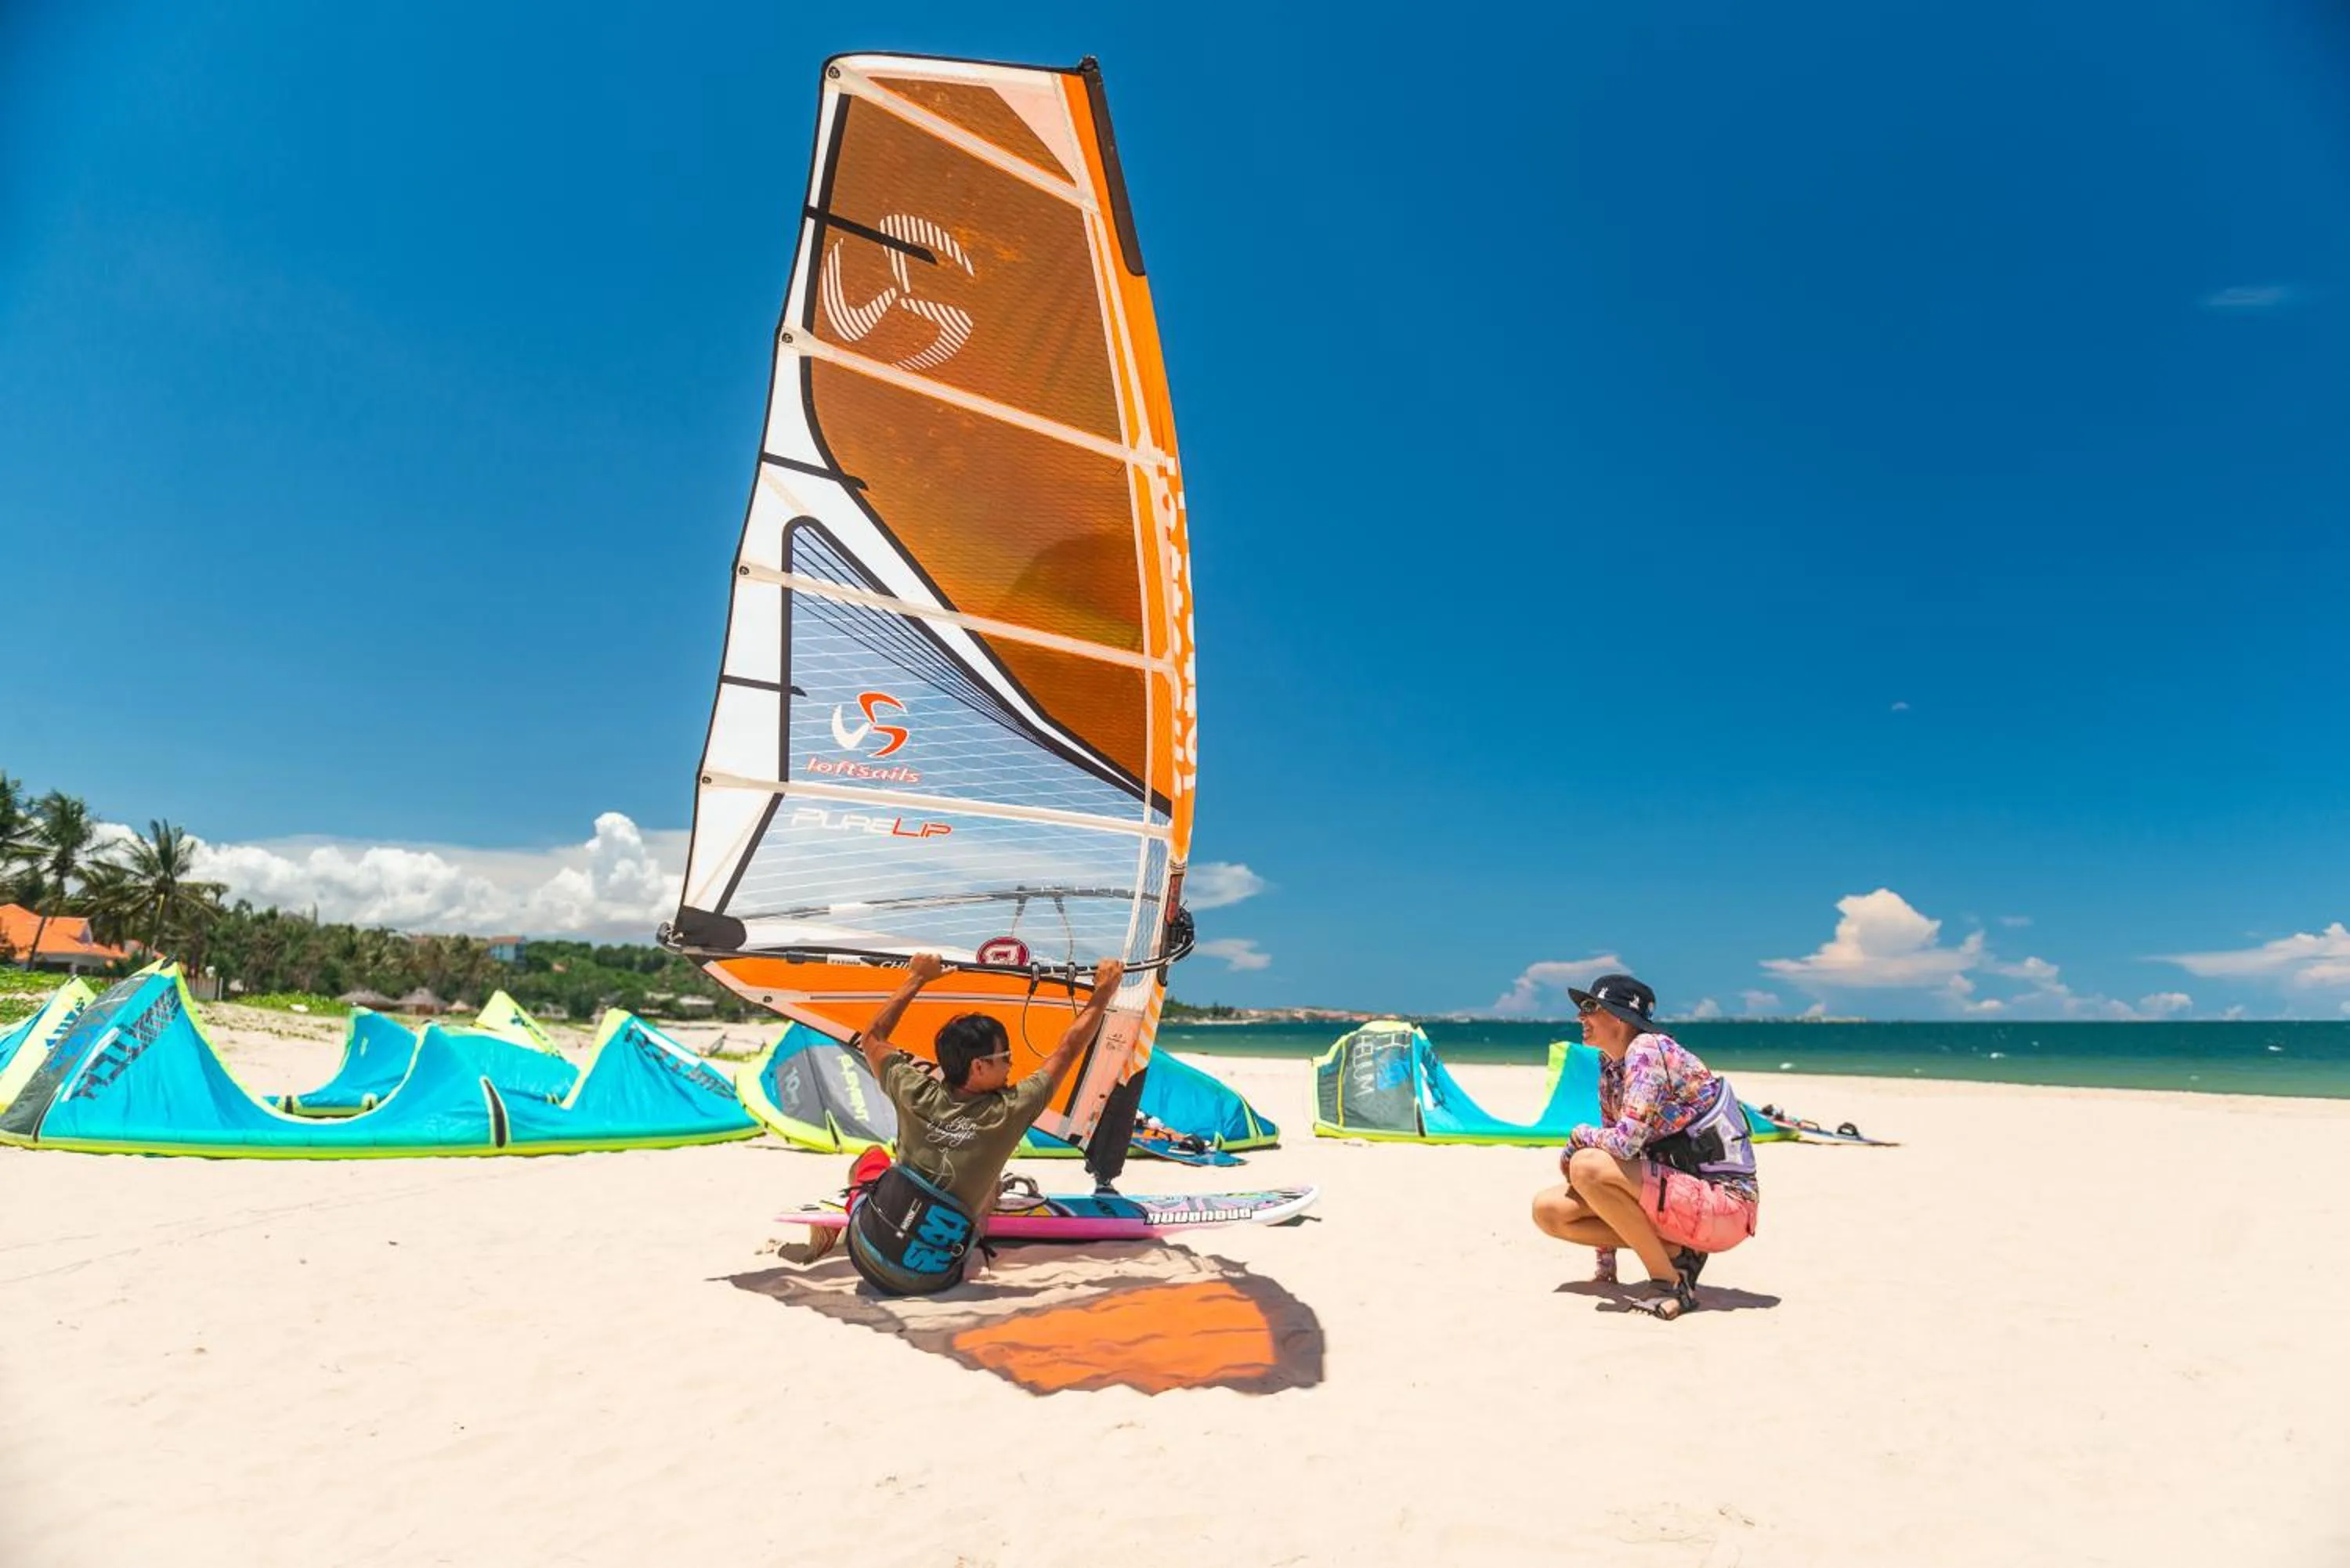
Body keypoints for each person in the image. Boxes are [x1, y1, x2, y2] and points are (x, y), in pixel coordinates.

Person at [842, 951, 1126, 1295]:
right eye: (1005, 1057)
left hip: (865, 1249)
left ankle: (855, 1207)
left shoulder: (913, 1091)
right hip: (934, 1279)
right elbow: (1067, 1049)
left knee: (871, 1159)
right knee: (987, 1192)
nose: (1011, 1065)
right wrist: (1104, 992)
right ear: (978, 1066)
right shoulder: (1010, 1110)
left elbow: (872, 1038)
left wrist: (917, 977)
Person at [1530, 973, 1759, 1320]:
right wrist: (1606, 1266)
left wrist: (1579, 1136)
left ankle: (1669, 1283)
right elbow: (1612, 1155)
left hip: (1726, 1206)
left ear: (1619, 1017)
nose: (1580, 1016)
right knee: (1549, 1210)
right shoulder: (1611, 1065)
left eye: (1590, 1007)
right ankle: (1674, 1251)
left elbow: (1623, 1145)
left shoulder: (1648, 1049)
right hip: (1677, 1199)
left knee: (1586, 1165)